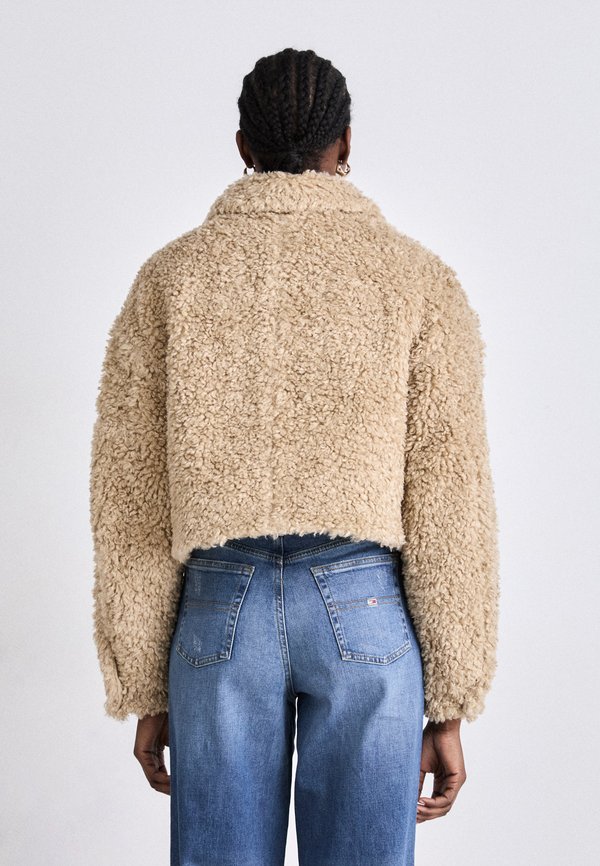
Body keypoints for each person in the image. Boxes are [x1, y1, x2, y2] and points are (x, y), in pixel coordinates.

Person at [89, 47, 499, 866]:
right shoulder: (417, 280)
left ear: (242, 146)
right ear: (345, 144)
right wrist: (451, 699)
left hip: (219, 607)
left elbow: (129, 494)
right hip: (363, 606)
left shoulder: (171, 279)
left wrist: (144, 682)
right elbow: (450, 496)